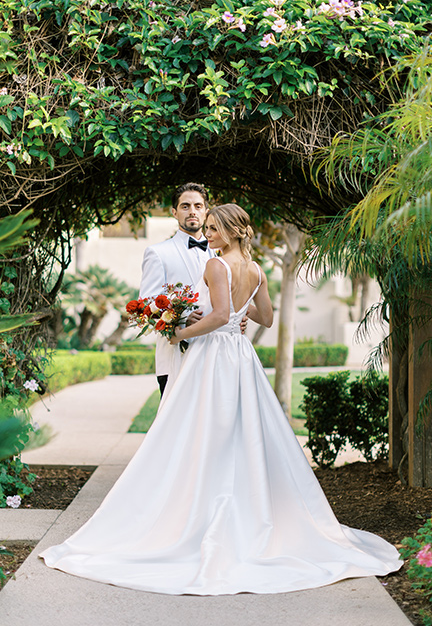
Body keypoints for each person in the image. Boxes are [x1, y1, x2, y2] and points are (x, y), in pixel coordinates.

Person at [40, 204, 402, 596]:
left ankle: (197, 506)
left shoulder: (216, 266)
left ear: (231, 230)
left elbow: (217, 316)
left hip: (212, 355)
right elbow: (265, 317)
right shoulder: (258, 269)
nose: (208, 234)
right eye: (207, 228)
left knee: (197, 430)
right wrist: (237, 318)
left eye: (213, 228)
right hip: (241, 357)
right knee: (241, 432)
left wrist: (181, 334)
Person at [139, 182, 214, 396]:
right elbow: (146, 305)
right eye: (185, 206)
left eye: (198, 206)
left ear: (206, 211)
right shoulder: (158, 253)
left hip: (216, 356)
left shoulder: (220, 253)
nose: (192, 211)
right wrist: (182, 318)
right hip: (176, 357)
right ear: (174, 212)